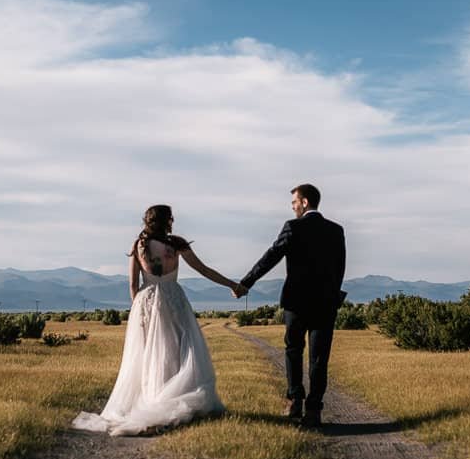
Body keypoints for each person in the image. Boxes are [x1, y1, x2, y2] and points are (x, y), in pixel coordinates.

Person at [73, 205, 240, 436]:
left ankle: (153, 399)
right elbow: (203, 269)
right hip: (173, 299)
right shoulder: (176, 244)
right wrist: (232, 284)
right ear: (168, 220)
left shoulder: (139, 245)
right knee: (177, 350)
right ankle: (172, 398)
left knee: (148, 354)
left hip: (147, 300)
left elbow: (132, 283)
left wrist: (138, 310)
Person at [234, 183, 347, 428]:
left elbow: (271, 256)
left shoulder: (293, 227)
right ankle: (314, 409)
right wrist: (333, 295)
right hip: (326, 304)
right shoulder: (336, 231)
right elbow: (340, 268)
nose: (293, 206)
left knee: (293, 350)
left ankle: (295, 400)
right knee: (319, 358)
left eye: (294, 202)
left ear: (304, 202)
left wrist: (246, 283)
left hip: (296, 302)